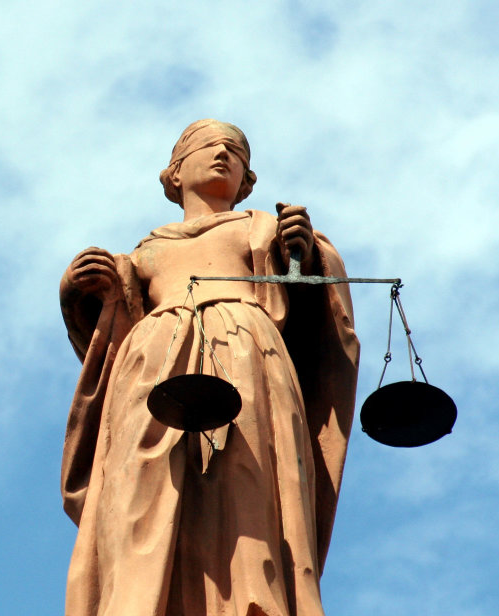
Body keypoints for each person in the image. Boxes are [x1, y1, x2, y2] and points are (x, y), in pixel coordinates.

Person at [58, 120, 359, 616]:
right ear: (175, 172)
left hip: (247, 357)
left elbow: (315, 308)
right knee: (138, 493)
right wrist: (81, 287)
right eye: (207, 145)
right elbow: (113, 330)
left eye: (236, 150)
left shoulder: (261, 227)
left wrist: (307, 251)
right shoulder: (145, 252)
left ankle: (253, 601)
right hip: (153, 369)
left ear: (247, 178)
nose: (222, 152)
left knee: (248, 483)